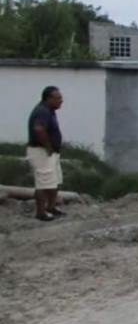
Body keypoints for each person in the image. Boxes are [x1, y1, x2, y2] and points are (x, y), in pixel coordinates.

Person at [27, 86, 65, 222]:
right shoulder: (42, 111)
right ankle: (40, 212)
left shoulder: (50, 111)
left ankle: (51, 207)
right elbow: (38, 129)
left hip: (51, 152)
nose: (61, 101)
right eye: (57, 98)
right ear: (48, 98)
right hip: (41, 152)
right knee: (43, 182)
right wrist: (48, 146)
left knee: (55, 181)